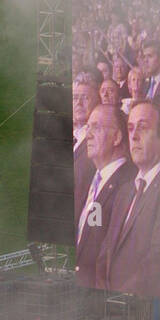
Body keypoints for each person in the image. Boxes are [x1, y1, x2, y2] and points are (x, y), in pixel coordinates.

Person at [97, 100, 160, 295]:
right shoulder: (125, 189)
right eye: (130, 128)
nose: (133, 135)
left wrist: (119, 298)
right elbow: (104, 253)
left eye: (143, 128)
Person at [74, 104, 137, 289]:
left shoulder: (129, 182)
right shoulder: (92, 178)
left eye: (97, 127)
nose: (89, 135)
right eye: (88, 128)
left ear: (117, 137)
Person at [71, 71, 103, 224]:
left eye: (85, 98)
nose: (79, 103)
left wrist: (93, 226)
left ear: (97, 101)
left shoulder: (101, 142)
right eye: (75, 98)